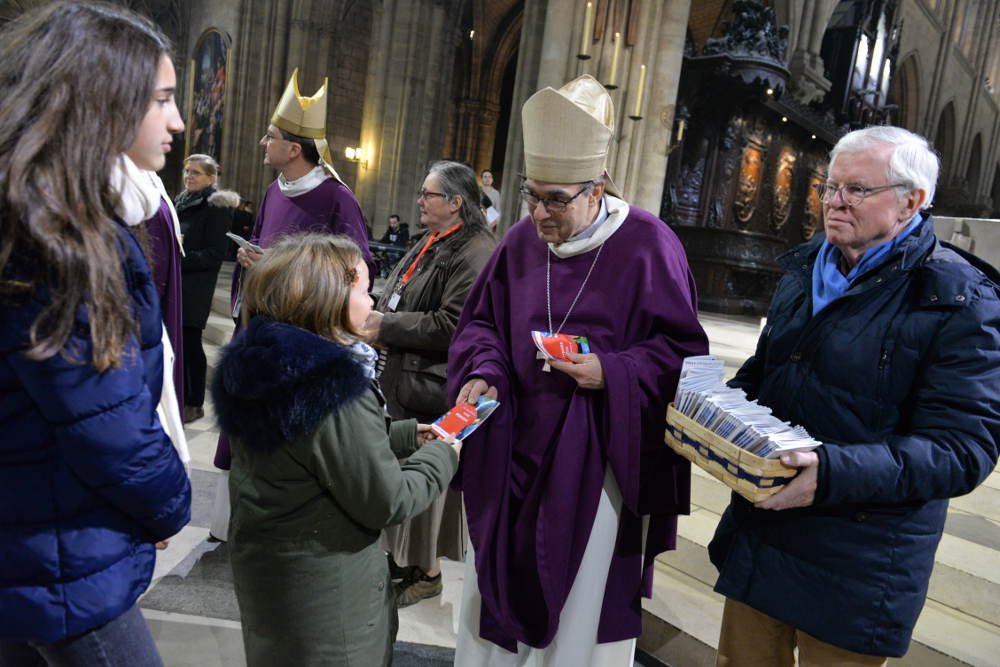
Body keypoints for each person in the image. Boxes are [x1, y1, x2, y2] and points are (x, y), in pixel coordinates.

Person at [709, 126, 1000, 666]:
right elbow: (767, 370)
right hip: (765, 532)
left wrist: (833, 472)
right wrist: (717, 414)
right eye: (830, 186)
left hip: (860, 561)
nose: (835, 201)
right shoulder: (803, 270)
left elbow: (963, 450)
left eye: (857, 189)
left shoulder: (960, 300)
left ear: (912, 200)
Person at [448, 75, 709, 664]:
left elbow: (683, 356)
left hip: (592, 458)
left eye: (556, 199)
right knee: (492, 590)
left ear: (597, 188)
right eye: (531, 195)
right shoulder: (518, 243)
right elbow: (481, 324)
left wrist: (610, 373)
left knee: (578, 609)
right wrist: (483, 368)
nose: (540, 212)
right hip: (508, 441)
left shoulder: (648, 246)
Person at [0, 3, 192, 664]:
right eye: (162, 99)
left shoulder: (41, 210)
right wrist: (170, 501)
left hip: (34, 536)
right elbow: (104, 421)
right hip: (60, 552)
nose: (178, 121)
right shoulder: (59, 238)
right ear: (105, 103)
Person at [212, 233, 460, 666]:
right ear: (327, 298)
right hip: (325, 596)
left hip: (273, 572)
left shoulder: (268, 360)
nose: (374, 304)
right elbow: (387, 500)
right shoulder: (330, 386)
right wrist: (444, 454)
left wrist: (401, 435)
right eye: (365, 290)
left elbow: (314, 452)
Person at [212, 68, 376, 537]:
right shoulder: (272, 191)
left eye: (271, 136)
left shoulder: (335, 198)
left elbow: (357, 267)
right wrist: (252, 256)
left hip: (301, 336)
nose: (263, 143)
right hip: (261, 327)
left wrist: (287, 268)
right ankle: (233, 520)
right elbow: (266, 241)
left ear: (295, 149)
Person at [368, 161, 497, 606]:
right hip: (402, 375)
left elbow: (452, 324)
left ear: (456, 202)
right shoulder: (434, 239)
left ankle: (426, 571)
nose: (420, 201)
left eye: (429, 194)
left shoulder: (475, 250)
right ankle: (402, 561)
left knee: (422, 479)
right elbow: (400, 290)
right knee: (399, 471)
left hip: (431, 383)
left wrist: (384, 324)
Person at [176, 153, 238, 424]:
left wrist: (179, 259)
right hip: (177, 281)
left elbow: (215, 253)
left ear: (212, 178)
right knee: (178, 342)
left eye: (196, 173)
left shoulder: (216, 207)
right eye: (187, 171)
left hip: (195, 286)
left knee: (191, 342)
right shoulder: (181, 201)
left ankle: (195, 402)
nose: (189, 176)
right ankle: (178, 394)